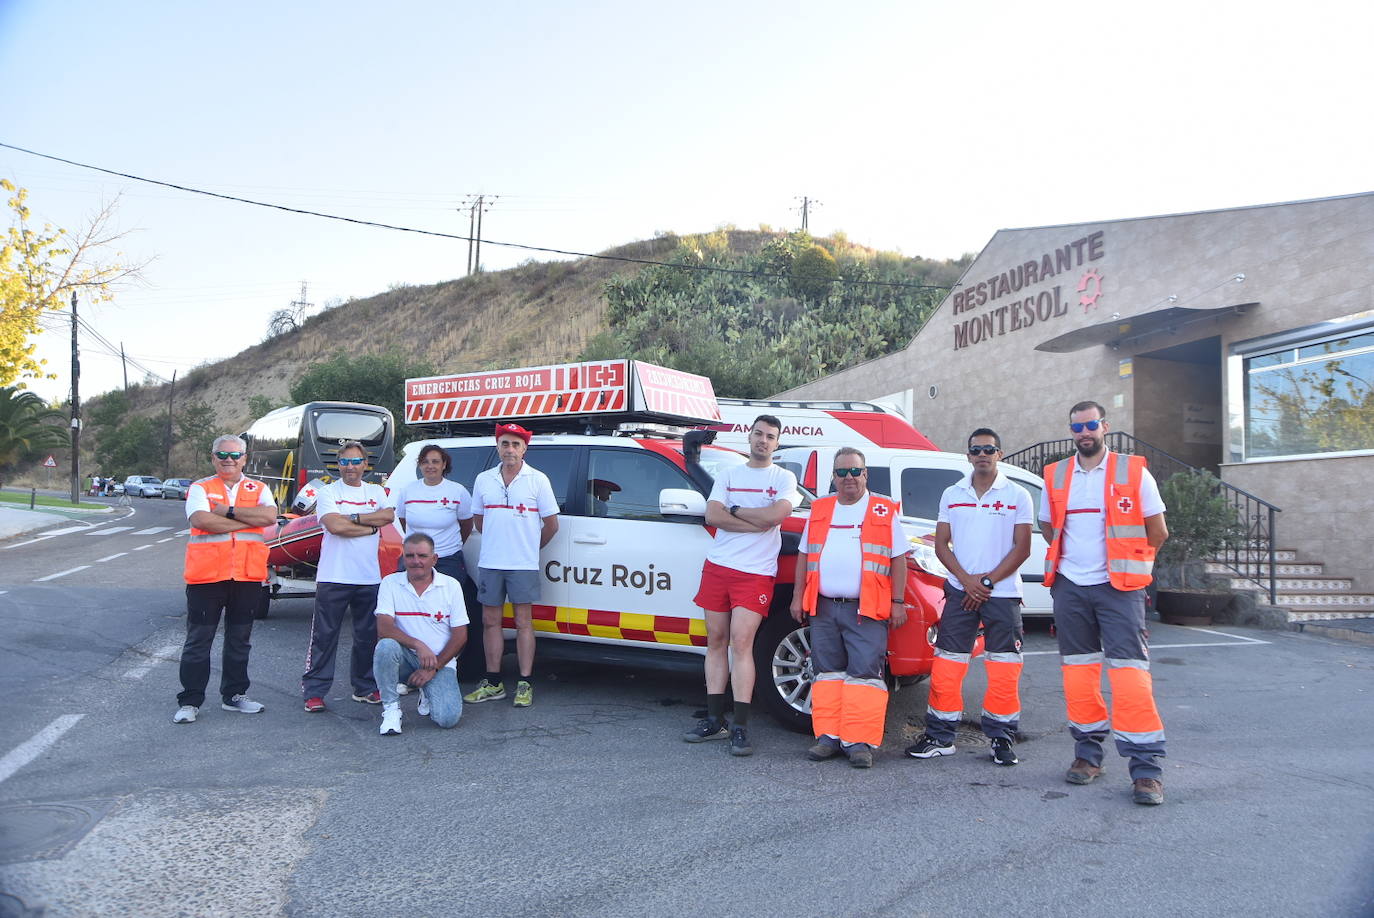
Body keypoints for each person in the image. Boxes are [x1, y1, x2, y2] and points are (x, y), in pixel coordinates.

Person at [1040, 401, 1170, 805]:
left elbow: (1157, 530)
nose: (1085, 433)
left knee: (1130, 676)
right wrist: (1073, 566)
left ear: (1104, 427)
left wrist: (1130, 567)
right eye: (1077, 427)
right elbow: (1048, 525)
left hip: (1120, 589)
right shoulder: (1056, 474)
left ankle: (1146, 770)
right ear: (1071, 431)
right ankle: (1087, 755)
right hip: (1071, 587)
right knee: (1079, 675)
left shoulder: (1133, 471)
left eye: (1091, 425)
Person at [906, 428, 1032, 766]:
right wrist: (967, 581)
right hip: (960, 592)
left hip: (1002, 594)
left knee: (1004, 669)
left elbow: (1023, 548)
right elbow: (941, 544)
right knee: (948, 664)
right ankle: (940, 736)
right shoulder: (952, 493)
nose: (982, 454)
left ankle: (1001, 739)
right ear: (968, 456)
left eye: (989, 449)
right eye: (976, 449)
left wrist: (987, 583)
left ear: (1000, 454)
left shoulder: (1018, 494)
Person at [683, 414, 800, 757]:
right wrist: (752, 518)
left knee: (741, 643)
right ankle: (715, 720)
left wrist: (737, 511)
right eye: (759, 434)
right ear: (749, 437)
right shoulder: (729, 474)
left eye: (770, 436)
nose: (763, 440)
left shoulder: (784, 477)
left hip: (756, 573)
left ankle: (741, 727)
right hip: (718, 567)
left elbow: (775, 518)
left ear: (777, 443)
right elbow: (713, 516)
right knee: (716, 641)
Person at [788, 448, 906, 768]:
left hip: (866, 609)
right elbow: (803, 556)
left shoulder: (883, 508)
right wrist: (798, 596)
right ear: (833, 478)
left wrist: (897, 601)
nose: (849, 478)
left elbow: (898, 559)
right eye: (841, 473)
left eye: (855, 471)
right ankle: (828, 737)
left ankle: (859, 743)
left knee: (864, 675)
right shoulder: (820, 508)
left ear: (866, 474)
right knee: (827, 674)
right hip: (824, 607)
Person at [173, 435, 278, 724]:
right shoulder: (200, 488)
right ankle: (190, 701)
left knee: (239, 640)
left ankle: (234, 696)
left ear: (245, 458)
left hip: (246, 576)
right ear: (213, 457)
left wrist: (228, 512)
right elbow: (201, 520)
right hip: (207, 577)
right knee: (198, 641)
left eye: (234, 455)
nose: (228, 459)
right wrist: (248, 518)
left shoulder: (258, 488)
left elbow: (270, 516)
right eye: (222, 454)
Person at [464, 423, 559, 708]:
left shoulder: (538, 480)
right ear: (497, 446)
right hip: (491, 562)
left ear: (524, 449)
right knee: (490, 621)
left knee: (523, 623)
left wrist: (528, 548)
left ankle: (525, 682)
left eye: (515, 445)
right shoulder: (483, 479)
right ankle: (493, 682)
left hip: (522, 564)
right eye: (505, 444)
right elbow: (479, 521)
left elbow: (552, 525)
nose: (510, 450)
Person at [302, 440, 395, 713]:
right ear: (338, 465)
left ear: (365, 464)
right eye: (344, 462)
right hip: (334, 575)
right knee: (324, 636)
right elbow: (334, 525)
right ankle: (315, 691)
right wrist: (367, 525)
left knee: (367, 636)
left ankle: (364, 687)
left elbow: (387, 516)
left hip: (368, 576)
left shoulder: (375, 490)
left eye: (356, 462)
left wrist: (351, 517)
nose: (350, 467)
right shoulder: (329, 492)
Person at [373, 532, 468, 735]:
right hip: (406, 656)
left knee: (448, 718)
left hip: (439, 661)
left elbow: (460, 635)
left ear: (434, 559)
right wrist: (418, 645)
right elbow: (384, 628)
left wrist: (432, 669)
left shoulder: (451, 586)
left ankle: (427, 690)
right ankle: (391, 709)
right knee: (385, 646)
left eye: (422, 556)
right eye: (410, 556)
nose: (416, 561)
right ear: (403, 557)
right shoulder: (390, 583)